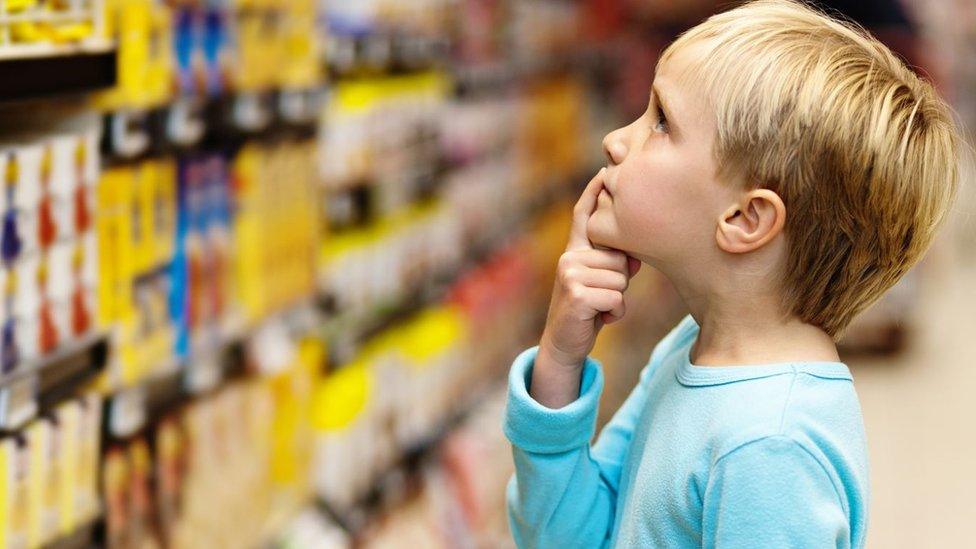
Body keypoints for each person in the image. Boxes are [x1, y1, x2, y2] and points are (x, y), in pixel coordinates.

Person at [503, 1, 960, 547]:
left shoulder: (769, 446)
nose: (616, 140)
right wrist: (559, 361)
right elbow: (570, 537)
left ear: (746, 219)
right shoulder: (694, 348)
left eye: (662, 122)